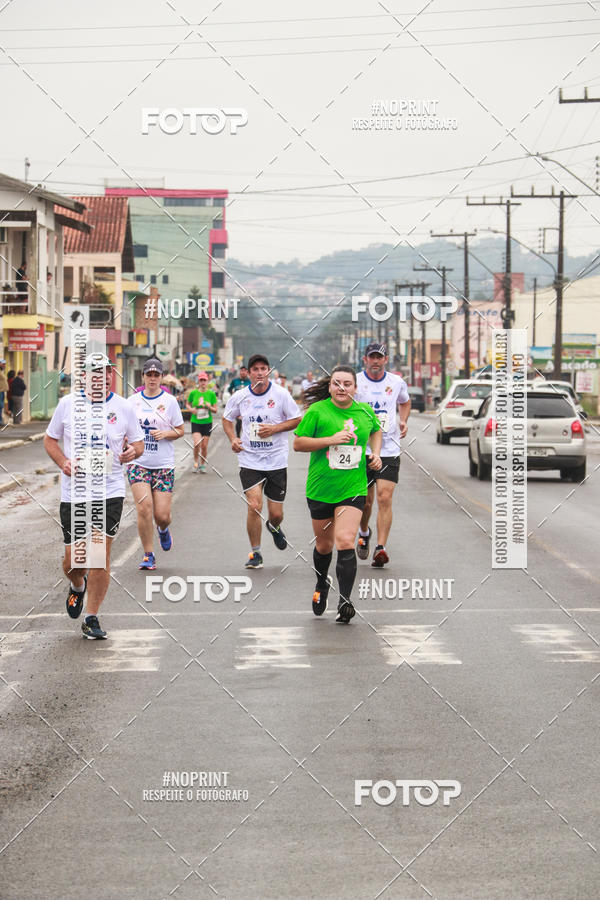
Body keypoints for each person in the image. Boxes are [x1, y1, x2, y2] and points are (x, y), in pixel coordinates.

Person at [43, 353, 144, 639]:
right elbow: (49, 439)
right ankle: (77, 586)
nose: (103, 376)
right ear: (85, 376)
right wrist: (63, 461)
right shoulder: (67, 405)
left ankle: (91, 617)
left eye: (108, 371)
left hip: (108, 491)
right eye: (96, 371)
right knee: (74, 562)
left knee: (99, 554)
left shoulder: (124, 408)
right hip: (74, 493)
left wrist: (132, 452)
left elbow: (138, 444)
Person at [294, 366, 382, 623]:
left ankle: (345, 600)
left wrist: (375, 454)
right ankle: (322, 584)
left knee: (345, 540)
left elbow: (376, 430)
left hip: (352, 488)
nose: (342, 388)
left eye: (347, 384)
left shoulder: (365, 412)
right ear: (330, 387)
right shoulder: (318, 411)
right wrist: (331, 439)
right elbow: (299, 443)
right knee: (324, 546)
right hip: (321, 488)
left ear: (355, 388)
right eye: (337, 384)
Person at [222, 353, 301, 569]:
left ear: (269, 372)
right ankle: (255, 553)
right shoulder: (239, 396)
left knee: (276, 514)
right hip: (250, 460)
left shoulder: (281, 394)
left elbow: (297, 419)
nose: (259, 373)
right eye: (255, 369)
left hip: (276, 460)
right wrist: (233, 439)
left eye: (263, 368)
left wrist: (275, 428)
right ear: (248, 373)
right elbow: (227, 419)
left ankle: (274, 527)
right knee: (254, 505)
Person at [354, 343, 411, 568]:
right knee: (366, 502)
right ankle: (364, 531)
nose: (376, 361)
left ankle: (380, 547)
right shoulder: (356, 381)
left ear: (386, 360)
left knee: (384, 498)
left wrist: (404, 419)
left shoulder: (396, 382)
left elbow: (405, 402)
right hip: (362, 449)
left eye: (380, 357)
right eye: (372, 357)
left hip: (388, 448)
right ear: (365, 360)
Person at [127, 357, 184, 570]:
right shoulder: (132, 402)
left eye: (156, 375)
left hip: (163, 465)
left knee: (162, 516)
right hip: (138, 462)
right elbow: (124, 429)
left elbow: (180, 430)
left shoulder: (170, 402)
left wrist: (166, 434)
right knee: (144, 508)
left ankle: (163, 529)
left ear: (161, 378)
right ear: (143, 376)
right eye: (149, 374)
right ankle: (148, 554)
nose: (152, 378)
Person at [186, 371, 218, 473]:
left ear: (207, 381)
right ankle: (196, 463)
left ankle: (202, 465)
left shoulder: (211, 394)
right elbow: (187, 404)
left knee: (204, 446)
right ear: (198, 381)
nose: (203, 382)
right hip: (195, 421)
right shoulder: (193, 393)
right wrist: (191, 410)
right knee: (196, 443)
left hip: (207, 422)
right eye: (201, 380)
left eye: (204, 380)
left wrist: (209, 407)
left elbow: (215, 410)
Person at [228, 366, 250, 438]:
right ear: (240, 372)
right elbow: (230, 389)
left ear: (247, 372)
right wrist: (233, 396)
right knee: (239, 421)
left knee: (247, 420)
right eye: (241, 371)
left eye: (244, 371)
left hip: (248, 404)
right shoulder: (235, 381)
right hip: (238, 404)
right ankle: (238, 436)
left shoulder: (250, 381)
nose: (243, 372)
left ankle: (247, 436)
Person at [0, 360, 8, 426]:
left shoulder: (1, 372)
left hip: (2, 391)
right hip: (0, 391)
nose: (4, 365)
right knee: (0, 405)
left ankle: (1, 420)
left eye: (5, 364)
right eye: (3, 364)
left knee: (1, 406)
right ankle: (0, 421)